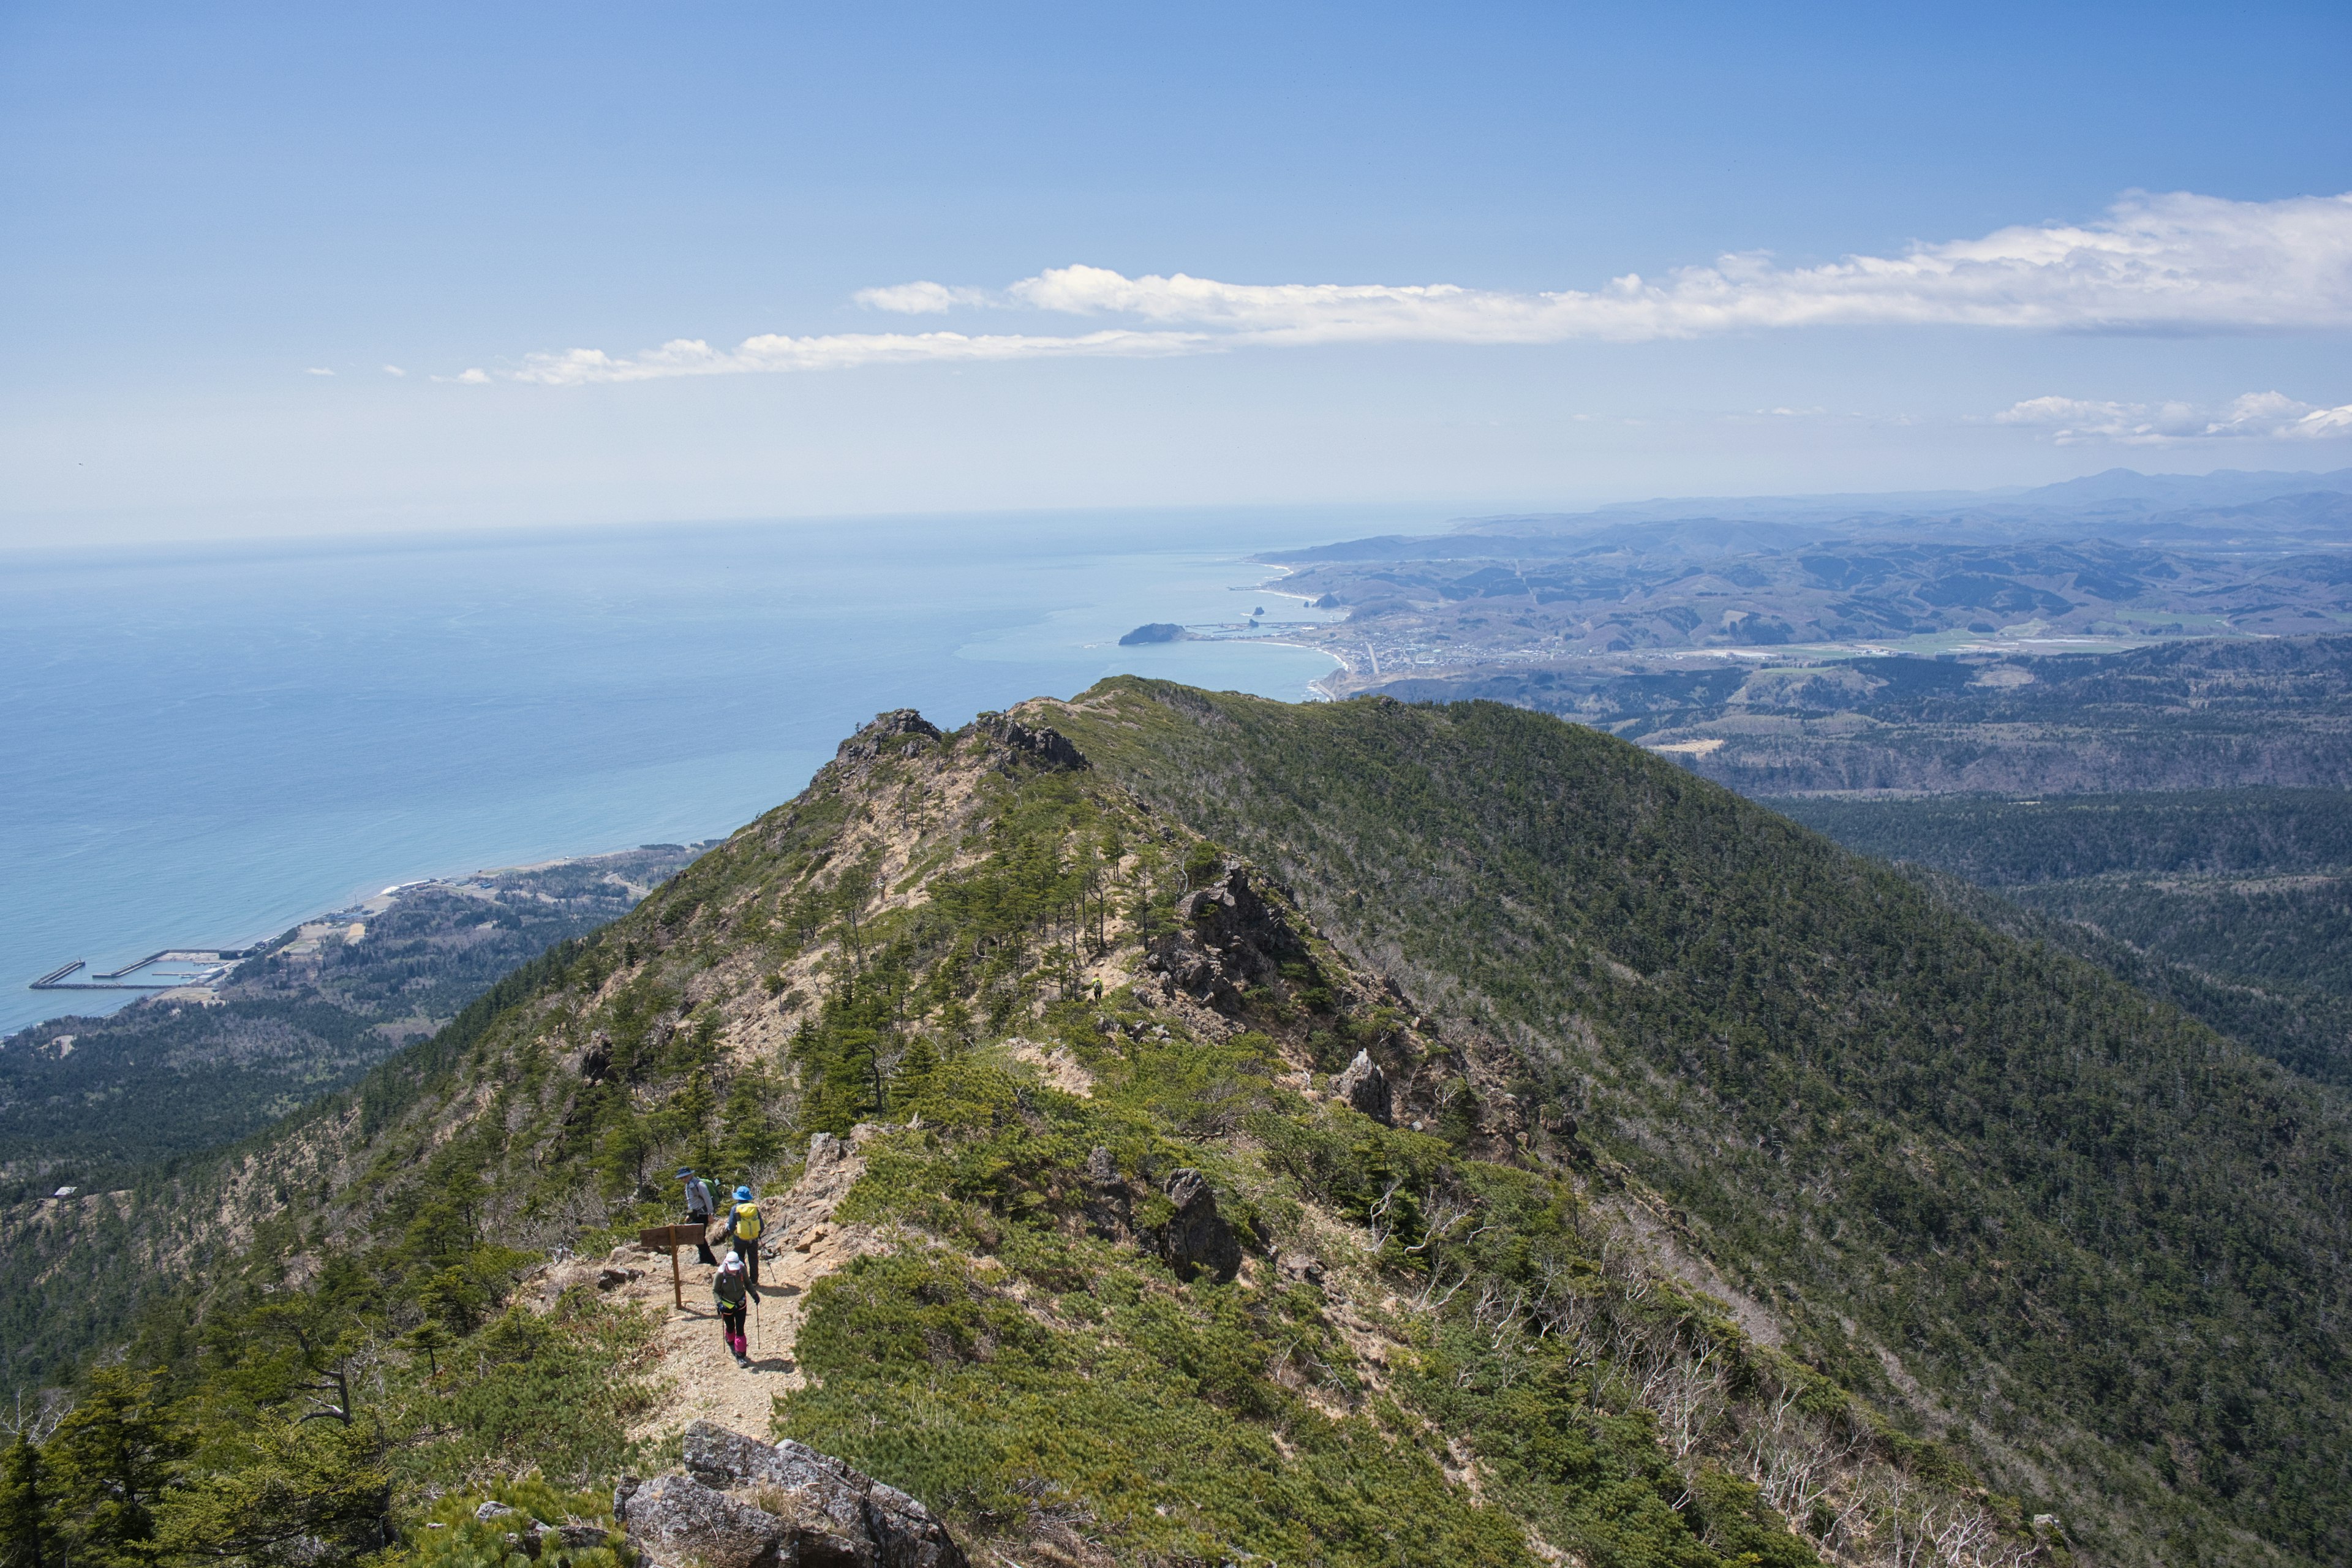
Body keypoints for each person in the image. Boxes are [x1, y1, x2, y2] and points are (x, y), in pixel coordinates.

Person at [713, 1253, 751, 1365]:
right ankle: (729, 1337)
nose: (734, 1272)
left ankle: (740, 1356)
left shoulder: (742, 1269)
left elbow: (748, 1284)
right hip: (726, 1306)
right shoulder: (720, 1274)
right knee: (730, 1327)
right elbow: (715, 1290)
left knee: (740, 1330)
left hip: (741, 1304)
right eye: (732, 1270)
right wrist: (719, 1304)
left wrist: (755, 1295)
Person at [723, 1185, 764, 1287]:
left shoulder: (735, 1209)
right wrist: (757, 1234)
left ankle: (744, 1280)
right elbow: (761, 1225)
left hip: (739, 1239)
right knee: (754, 1259)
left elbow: (732, 1226)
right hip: (753, 1239)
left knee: (740, 1258)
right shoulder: (754, 1208)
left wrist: (728, 1229)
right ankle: (754, 1281)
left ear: (738, 1197)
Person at [679, 1167, 717, 1265]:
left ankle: (711, 1261)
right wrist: (689, 1215)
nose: (683, 1179)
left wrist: (710, 1214)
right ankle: (704, 1258)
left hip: (703, 1215)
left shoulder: (700, 1185)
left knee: (698, 1237)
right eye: (682, 1178)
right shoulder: (688, 1185)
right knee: (699, 1238)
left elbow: (708, 1200)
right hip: (696, 1215)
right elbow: (691, 1203)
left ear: (691, 1175)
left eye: (685, 1177)